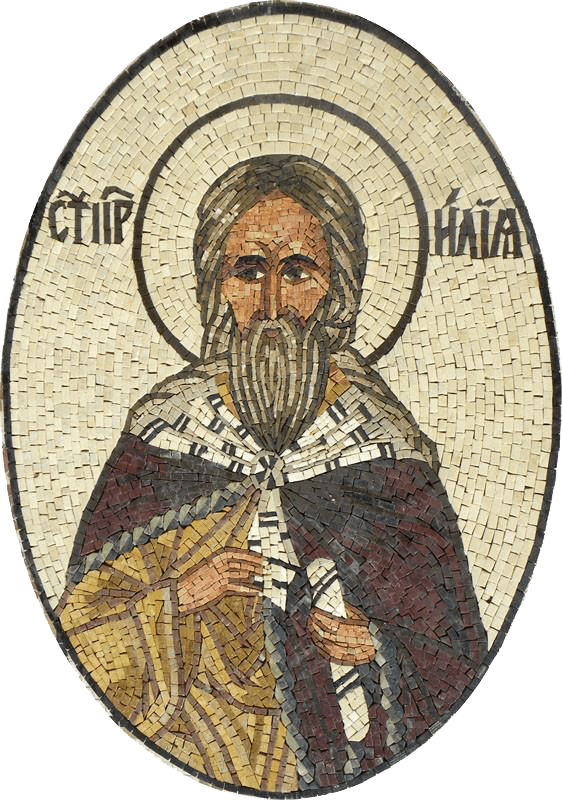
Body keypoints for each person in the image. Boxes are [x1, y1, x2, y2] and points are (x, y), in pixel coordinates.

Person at [56, 156, 488, 793]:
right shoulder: (162, 434)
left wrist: (377, 646)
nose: (271, 304)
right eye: (249, 271)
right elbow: (78, 637)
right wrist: (181, 597)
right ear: (218, 285)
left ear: (336, 289)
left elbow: (459, 659)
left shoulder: (387, 449)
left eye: (298, 272)